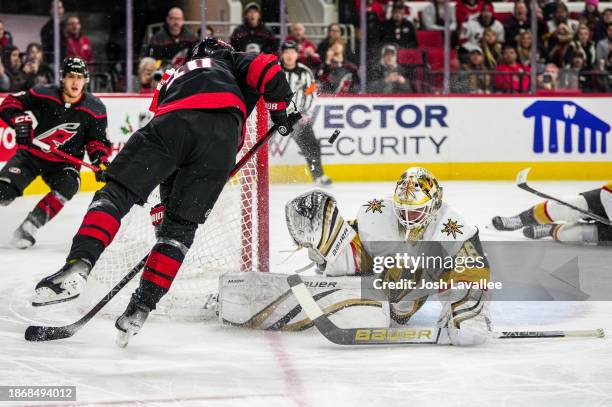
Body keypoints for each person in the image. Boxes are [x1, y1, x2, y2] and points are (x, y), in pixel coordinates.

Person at [31, 39, 293, 348]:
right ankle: (141, 308)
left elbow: (166, 138)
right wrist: (279, 112)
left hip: (172, 122)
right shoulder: (233, 61)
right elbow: (269, 68)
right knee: (179, 232)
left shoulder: (173, 75)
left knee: (116, 194)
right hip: (221, 143)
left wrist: (162, 205)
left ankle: (79, 264)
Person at [283, 167, 492, 346]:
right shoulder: (377, 212)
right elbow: (355, 239)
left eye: (415, 212)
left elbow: (473, 266)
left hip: (408, 293)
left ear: (434, 205)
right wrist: (324, 240)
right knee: (322, 218)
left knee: (406, 271)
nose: (408, 219)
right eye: (403, 211)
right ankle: (339, 284)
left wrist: (467, 307)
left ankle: (450, 309)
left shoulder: (453, 226)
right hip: (374, 271)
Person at [0, 57, 110, 250]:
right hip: (31, 155)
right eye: (70, 76)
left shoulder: (95, 108)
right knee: (4, 192)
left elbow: (96, 141)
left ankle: (29, 227)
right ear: (62, 78)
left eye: (79, 77)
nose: (75, 82)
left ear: (86, 80)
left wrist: (100, 160)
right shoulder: (44, 93)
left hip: (64, 164)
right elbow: (10, 102)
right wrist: (19, 120)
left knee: (69, 185)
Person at [280, 41, 331, 186]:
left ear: (297, 54)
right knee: (260, 146)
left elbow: (311, 94)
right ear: (282, 54)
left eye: (292, 52)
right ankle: (249, 174)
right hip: (274, 116)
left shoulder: (305, 72)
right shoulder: (275, 70)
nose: (289, 55)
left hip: (296, 117)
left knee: (312, 146)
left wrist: (305, 113)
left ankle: (319, 176)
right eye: (286, 52)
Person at [492, 183, 612, 244]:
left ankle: (551, 230)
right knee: (564, 206)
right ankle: (520, 220)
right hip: (606, 200)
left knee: (569, 236)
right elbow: (608, 191)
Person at [40, 0, 66, 64]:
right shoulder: (46, 29)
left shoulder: (67, 26)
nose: (58, 11)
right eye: (56, 8)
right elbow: (46, 51)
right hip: (55, 65)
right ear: (51, 10)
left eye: (60, 8)